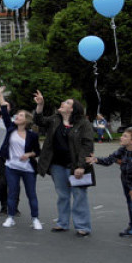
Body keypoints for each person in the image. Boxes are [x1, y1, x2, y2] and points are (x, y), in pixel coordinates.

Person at [34, 91, 95, 236]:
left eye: (67, 103)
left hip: (75, 165)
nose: (63, 103)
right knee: (62, 195)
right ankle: (62, 223)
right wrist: (40, 104)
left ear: (73, 109)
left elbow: (87, 145)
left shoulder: (83, 123)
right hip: (57, 165)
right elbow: (39, 121)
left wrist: (81, 166)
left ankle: (83, 226)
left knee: (79, 195)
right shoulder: (55, 119)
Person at [88, 128, 132, 247]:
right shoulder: (123, 150)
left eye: (125, 136)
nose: (121, 138)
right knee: (130, 204)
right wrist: (96, 159)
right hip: (125, 181)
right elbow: (109, 160)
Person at [0, 86, 42, 230]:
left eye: (20, 116)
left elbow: (37, 152)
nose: (17, 117)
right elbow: (4, 110)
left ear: (26, 120)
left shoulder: (32, 135)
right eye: (17, 115)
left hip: (28, 168)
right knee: (12, 192)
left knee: (31, 193)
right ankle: (10, 217)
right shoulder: (10, 128)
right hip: (12, 167)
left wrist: (29, 154)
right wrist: (0, 95)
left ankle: (35, 219)